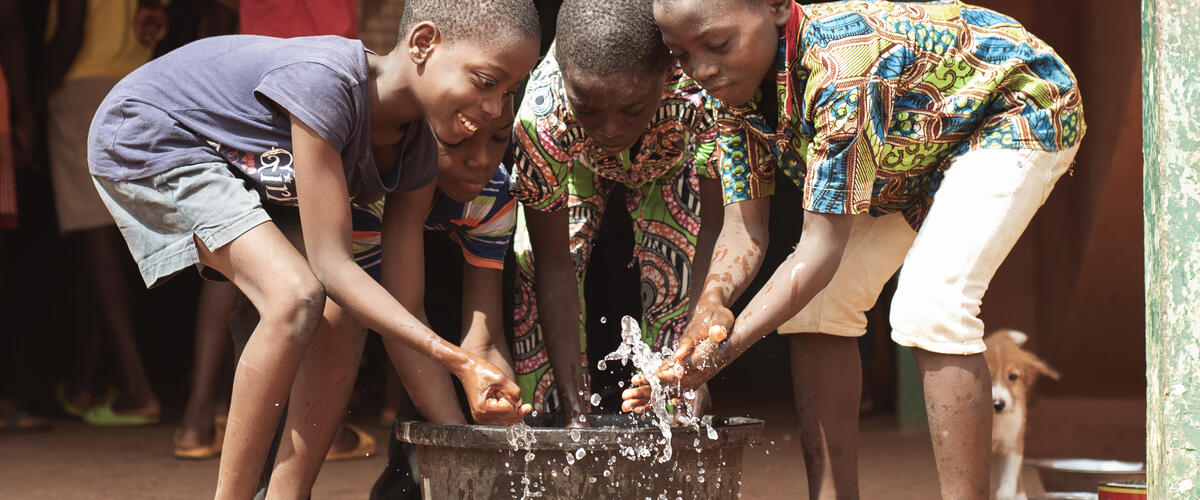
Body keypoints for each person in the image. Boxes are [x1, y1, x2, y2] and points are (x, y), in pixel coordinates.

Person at [625, 1, 1085, 498]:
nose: (702, 69)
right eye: (682, 55)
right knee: (816, 311)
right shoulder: (730, 94)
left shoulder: (841, 69)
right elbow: (744, 227)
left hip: (1013, 109)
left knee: (932, 307)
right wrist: (711, 304)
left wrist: (715, 359)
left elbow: (819, 250)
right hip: (917, 147)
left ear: (778, 7)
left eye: (716, 45)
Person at [86, 0, 541, 496]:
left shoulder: (415, 150)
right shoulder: (328, 84)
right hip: (153, 134)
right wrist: (457, 359)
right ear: (423, 44)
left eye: (509, 91)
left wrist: (464, 434)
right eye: (484, 81)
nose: (496, 108)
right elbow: (332, 265)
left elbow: (405, 305)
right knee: (297, 297)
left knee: (341, 316)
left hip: (243, 165)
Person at [509, 0, 725, 426]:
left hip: (673, 162)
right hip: (576, 165)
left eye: (629, 109)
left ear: (665, 72)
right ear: (564, 77)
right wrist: (575, 411)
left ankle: (673, 409)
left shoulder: (703, 93)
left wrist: (697, 368)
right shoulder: (543, 115)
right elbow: (553, 262)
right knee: (534, 274)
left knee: (675, 290)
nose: (609, 129)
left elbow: (717, 235)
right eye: (587, 108)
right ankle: (553, 420)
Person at [46, 0, 167, 427]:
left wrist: (35, 91)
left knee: (96, 243)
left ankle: (138, 390)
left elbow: (73, 26)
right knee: (111, 246)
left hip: (83, 87)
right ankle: (84, 383)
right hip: (138, 90)